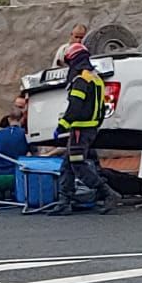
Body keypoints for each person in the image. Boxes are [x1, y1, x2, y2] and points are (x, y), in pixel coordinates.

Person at [51, 42, 116, 216]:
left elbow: (75, 106)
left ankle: (108, 193)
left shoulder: (81, 79)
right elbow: (102, 107)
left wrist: (62, 125)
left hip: (80, 130)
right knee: (67, 165)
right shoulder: (96, 78)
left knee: (78, 164)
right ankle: (65, 201)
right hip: (89, 129)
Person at [0, 110, 28, 200]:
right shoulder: (24, 134)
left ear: (9, 119)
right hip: (15, 177)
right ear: (22, 119)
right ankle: (16, 191)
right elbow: (34, 156)